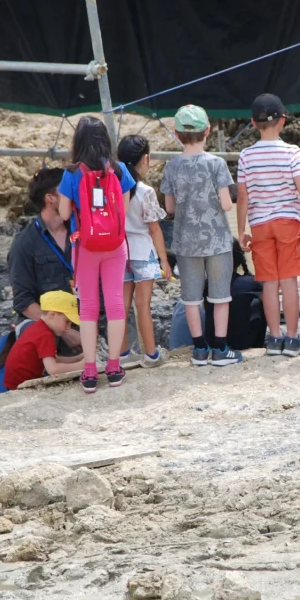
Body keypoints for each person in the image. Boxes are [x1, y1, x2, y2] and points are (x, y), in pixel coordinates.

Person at [161, 104, 244, 367]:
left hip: (185, 242)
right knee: (220, 296)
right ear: (207, 131)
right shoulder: (217, 163)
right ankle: (220, 349)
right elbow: (227, 204)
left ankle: (199, 349)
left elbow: (169, 208)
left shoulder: (171, 167)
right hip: (217, 239)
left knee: (191, 298)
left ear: (176, 133)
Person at [236, 93, 300, 357]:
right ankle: (292, 338)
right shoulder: (292, 152)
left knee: (269, 283)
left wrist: (241, 230)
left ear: (253, 122)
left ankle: (274, 337)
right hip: (287, 222)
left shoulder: (246, 156)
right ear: (283, 120)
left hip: (260, 225)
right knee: (289, 281)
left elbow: (243, 197)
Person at [58, 116, 135, 393]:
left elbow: (64, 214)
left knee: (88, 307)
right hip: (115, 246)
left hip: (85, 246)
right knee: (115, 304)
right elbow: (123, 212)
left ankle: (90, 372)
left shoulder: (71, 173)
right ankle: (114, 367)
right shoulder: (119, 169)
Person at [7, 168, 81, 352]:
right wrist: (64, 331)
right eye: (66, 189)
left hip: (83, 320)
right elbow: (23, 301)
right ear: (51, 198)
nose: (73, 194)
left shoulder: (80, 230)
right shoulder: (25, 243)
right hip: (49, 330)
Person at [116, 134, 172, 369]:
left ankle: (123, 354)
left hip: (120, 252)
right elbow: (155, 228)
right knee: (143, 305)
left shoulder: (115, 188)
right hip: (142, 252)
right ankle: (151, 354)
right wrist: (164, 260)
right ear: (146, 159)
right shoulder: (145, 191)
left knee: (122, 304)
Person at [169, 239, 267, 351]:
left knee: (190, 305)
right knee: (261, 301)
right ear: (240, 260)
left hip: (213, 342)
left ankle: (185, 348)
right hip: (242, 343)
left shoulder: (207, 284)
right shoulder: (251, 282)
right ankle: (260, 344)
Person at [2, 291, 85, 390]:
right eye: (67, 321)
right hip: (20, 387)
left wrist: (78, 358)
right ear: (52, 315)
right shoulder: (45, 335)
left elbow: (54, 359)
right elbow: (53, 370)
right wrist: (80, 366)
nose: (68, 327)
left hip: (15, 383)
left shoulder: (38, 328)